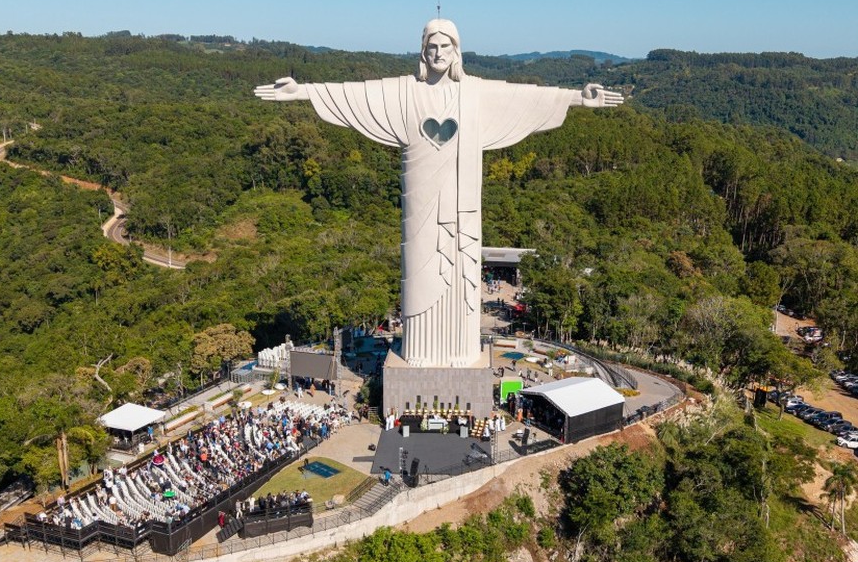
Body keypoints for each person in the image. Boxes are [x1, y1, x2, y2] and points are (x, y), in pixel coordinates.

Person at [256, 20, 622, 370]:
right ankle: (418, 349)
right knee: (419, 274)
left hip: (464, 209)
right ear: (422, 50)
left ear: (457, 51)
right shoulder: (403, 91)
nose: (438, 52)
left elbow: (523, 98)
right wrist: (302, 91)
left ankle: (462, 351)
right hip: (420, 209)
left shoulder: (475, 91)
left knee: (463, 274)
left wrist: (577, 98)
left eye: (445, 45)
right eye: (431, 46)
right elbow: (356, 92)